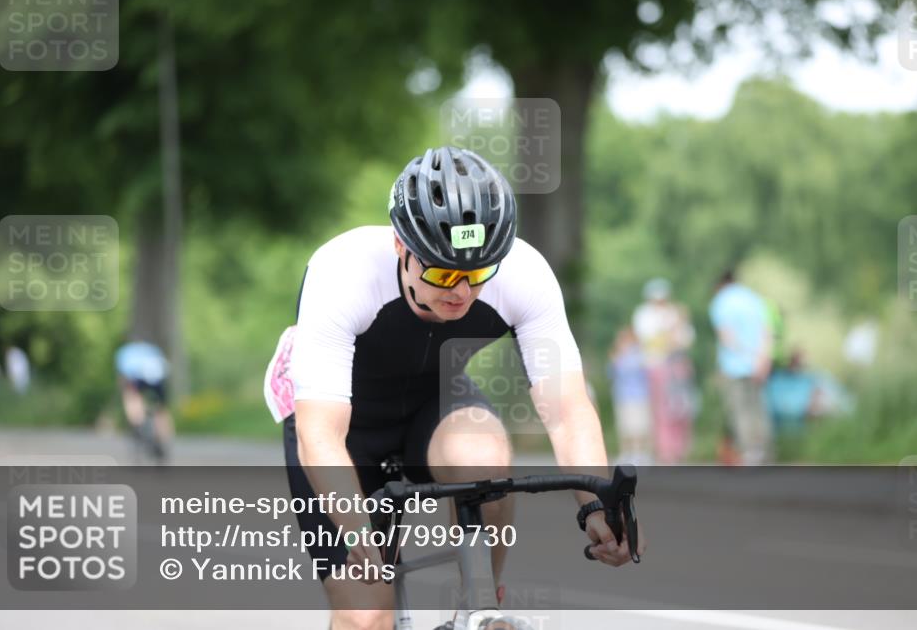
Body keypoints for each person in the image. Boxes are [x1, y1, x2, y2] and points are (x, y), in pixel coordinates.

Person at [264, 146, 641, 630]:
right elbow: (321, 435)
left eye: (478, 273)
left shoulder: (523, 272)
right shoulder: (343, 271)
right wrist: (361, 533)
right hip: (341, 425)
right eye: (443, 273)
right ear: (401, 246)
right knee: (364, 614)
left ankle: (479, 607)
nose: (461, 291)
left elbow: (566, 408)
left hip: (434, 402)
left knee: (482, 453)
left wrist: (596, 502)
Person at [708, 268, 774, 465]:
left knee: (740, 410)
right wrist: (762, 359)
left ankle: (749, 452)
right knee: (759, 408)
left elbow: (726, 336)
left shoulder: (721, 302)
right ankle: (765, 452)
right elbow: (767, 331)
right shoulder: (754, 299)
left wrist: (746, 356)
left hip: (734, 365)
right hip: (759, 363)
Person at [632, 278, 697, 464]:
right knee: (661, 409)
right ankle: (664, 449)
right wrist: (670, 334)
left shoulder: (674, 312)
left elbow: (685, 339)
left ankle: (680, 449)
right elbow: (651, 341)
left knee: (681, 408)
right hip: (657, 365)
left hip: (677, 365)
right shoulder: (644, 315)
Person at [115, 340, 173, 463]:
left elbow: (123, 377)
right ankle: (163, 438)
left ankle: (137, 423)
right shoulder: (153, 350)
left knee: (131, 397)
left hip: (137, 378)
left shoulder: (124, 352)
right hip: (158, 378)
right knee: (161, 410)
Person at [608, 326, 652, 466]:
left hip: (638, 396)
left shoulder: (639, 355)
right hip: (622, 396)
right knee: (624, 427)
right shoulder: (617, 356)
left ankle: (640, 454)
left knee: (639, 427)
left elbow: (641, 371)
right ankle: (626, 453)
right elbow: (611, 374)